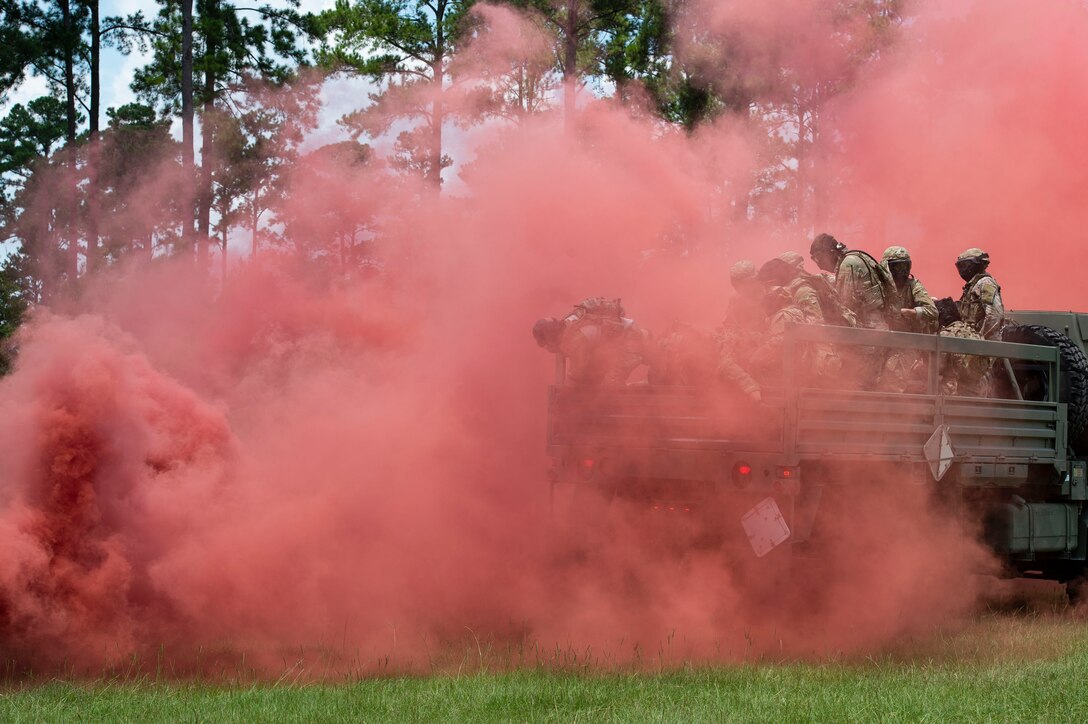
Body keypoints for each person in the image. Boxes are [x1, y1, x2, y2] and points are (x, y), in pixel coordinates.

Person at [810, 233, 896, 387]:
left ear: (828, 253)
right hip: (875, 332)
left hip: (866, 337)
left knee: (859, 386)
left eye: (817, 258)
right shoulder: (855, 258)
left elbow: (845, 305)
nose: (819, 264)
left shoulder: (847, 265)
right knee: (870, 385)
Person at [533, 298, 653, 385]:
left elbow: (578, 371)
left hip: (631, 339)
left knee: (611, 385)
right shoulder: (570, 323)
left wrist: (565, 394)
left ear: (551, 338)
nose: (548, 348)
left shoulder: (576, 340)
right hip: (626, 337)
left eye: (547, 344)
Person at [935, 297, 992, 397]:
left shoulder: (946, 335)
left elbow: (937, 365)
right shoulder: (975, 333)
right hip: (978, 391)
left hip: (955, 393)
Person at [882, 246, 937, 334]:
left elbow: (932, 311)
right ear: (887, 267)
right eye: (898, 267)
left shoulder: (914, 285)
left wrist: (912, 312)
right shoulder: (880, 285)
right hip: (884, 335)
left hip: (911, 337)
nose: (903, 271)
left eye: (905, 266)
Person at [955, 248, 1004, 340]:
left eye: (965, 265)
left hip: (986, 345)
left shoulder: (985, 283)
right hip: (974, 340)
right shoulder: (972, 286)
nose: (963, 269)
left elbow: (994, 315)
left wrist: (981, 342)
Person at [724, 260, 766, 332]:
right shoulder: (735, 298)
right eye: (735, 286)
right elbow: (729, 322)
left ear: (754, 280)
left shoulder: (769, 293)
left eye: (741, 285)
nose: (738, 290)